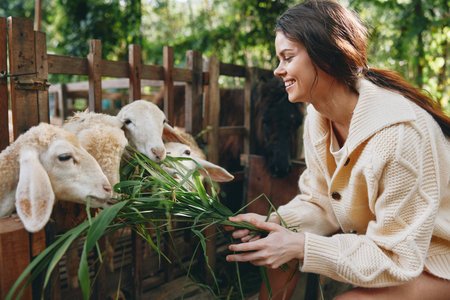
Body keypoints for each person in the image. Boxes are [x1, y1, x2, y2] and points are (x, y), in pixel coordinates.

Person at [225, 1, 450, 299]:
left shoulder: (398, 135)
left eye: (287, 57)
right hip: (391, 247)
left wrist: (302, 246)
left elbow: (397, 256)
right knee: (276, 253)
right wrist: (274, 224)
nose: (278, 70)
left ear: (326, 58)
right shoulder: (318, 117)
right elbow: (321, 201)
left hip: (433, 261)